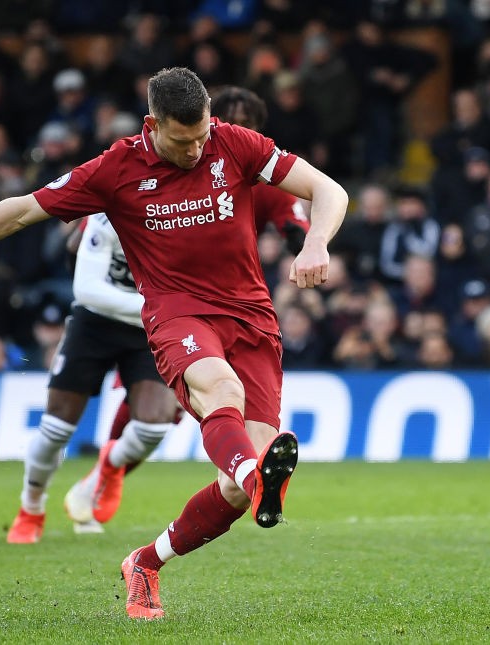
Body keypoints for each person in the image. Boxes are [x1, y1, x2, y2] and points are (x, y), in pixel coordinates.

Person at [0, 67, 347, 620]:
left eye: (202, 136)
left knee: (234, 492)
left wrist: (316, 244)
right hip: (177, 313)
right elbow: (21, 209)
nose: (195, 151)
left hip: (253, 319)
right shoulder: (116, 168)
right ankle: (254, 477)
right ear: (152, 124)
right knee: (221, 389)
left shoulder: (233, 143)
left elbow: (328, 189)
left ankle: (146, 561)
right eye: (182, 141)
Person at [53, 85, 313, 539]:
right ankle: (103, 472)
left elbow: (296, 224)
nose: (206, 147)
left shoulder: (257, 172)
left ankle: (111, 469)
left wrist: (310, 248)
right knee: (190, 398)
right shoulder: (144, 169)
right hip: (172, 308)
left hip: (240, 309)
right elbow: (77, 223)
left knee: (168, 419)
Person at [6, 213, 181, 543]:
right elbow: (87, 290)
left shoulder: (189, 215)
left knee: (154, 425)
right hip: (95, 325)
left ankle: (106, 468)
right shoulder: (109, 215)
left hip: (149, 330)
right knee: (56, 428)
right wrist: (160, 305)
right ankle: (31, 508)